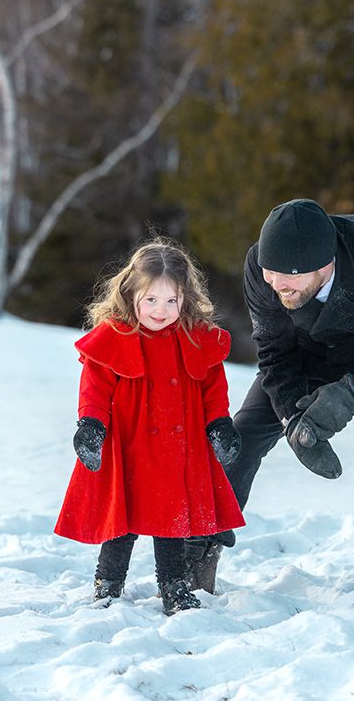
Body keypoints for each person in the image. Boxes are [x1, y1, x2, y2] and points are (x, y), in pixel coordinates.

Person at [187, 199, 354, 595]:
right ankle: (199, 548)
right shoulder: (259, 269)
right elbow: (274, 353)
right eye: (270, 274)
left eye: (289, 277)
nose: (277, 285)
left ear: (325, 263)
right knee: (241, 436)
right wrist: (294, 420)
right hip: (307, 352)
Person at [54, 237, 244, 616]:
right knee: (121, 521)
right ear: (130, 294)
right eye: (151, 300)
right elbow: (95, 388)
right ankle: (108, 584)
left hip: (178, 447)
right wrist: (91, 424)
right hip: (128, 444)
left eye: (171, 301)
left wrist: (219, 423)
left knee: (171, 519)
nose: (161, 310)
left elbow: (212, 389)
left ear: (185, 299)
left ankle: (174, 586)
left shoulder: (196, 338)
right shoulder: (114, 337)